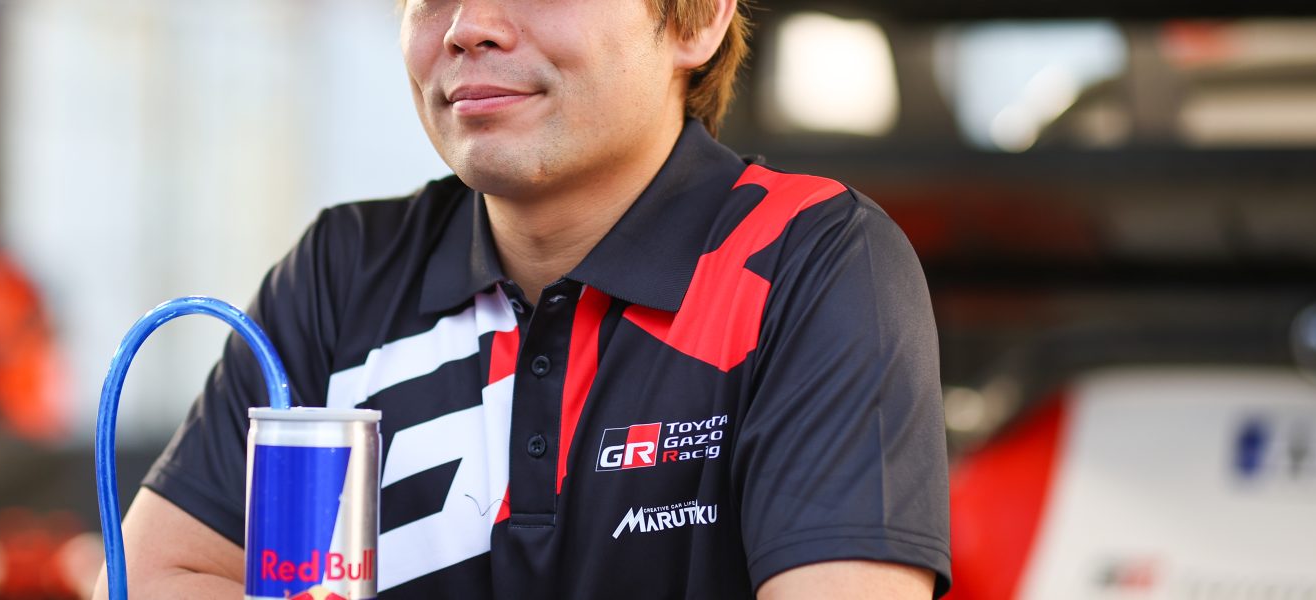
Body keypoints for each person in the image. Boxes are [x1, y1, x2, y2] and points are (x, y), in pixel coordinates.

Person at [101, 0, 951, 597]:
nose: (468, 26)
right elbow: (151, 576)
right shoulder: (343, 272)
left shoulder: (810, 262)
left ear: (696, 20)